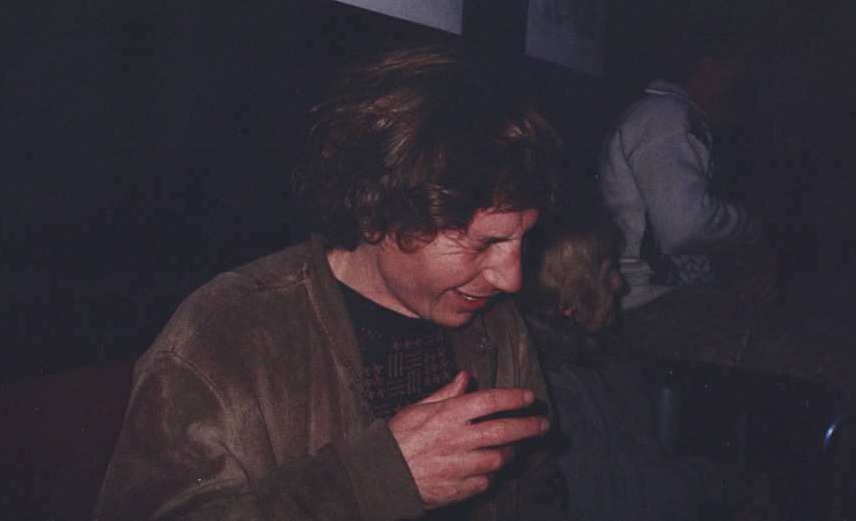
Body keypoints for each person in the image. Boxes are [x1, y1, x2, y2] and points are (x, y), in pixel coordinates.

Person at [94, 46, 573, 519]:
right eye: (483, 243)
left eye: (522, 240)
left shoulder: (496, 324)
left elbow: (540, 494)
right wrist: (374, 482)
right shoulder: (225, 337)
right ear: (378, 213)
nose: (511, 279)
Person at [520, 213, 741, 520]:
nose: (619, 284)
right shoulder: (552, 384)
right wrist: (726, 484)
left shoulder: (600, 354)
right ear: (568, 299)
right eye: (606, 273)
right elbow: (618, 500)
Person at [597, 28, 768, 309]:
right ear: (708, 69)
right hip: (650, 302)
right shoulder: (664, 115)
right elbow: (684, 228)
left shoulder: (676, 118)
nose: (741, 93)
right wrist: (753, 229)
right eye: (737, 78)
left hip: (668, 301)